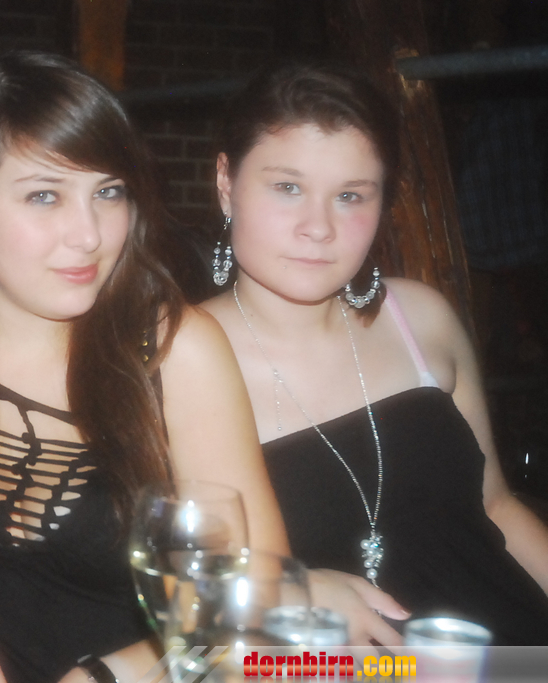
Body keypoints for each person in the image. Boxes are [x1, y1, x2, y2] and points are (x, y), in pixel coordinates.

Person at [0, 51, 291, 683]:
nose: (89, 235)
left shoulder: (173, 348)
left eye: (108, 192)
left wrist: (111, 676)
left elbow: (255, 595)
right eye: (44, 195)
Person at [199, 61, 548, 644]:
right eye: (288, 187)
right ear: (225, 184)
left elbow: (497, 507)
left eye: (350, 196)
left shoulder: (421, 317)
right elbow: (196, 610)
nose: (319, 227)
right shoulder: (182, 359)